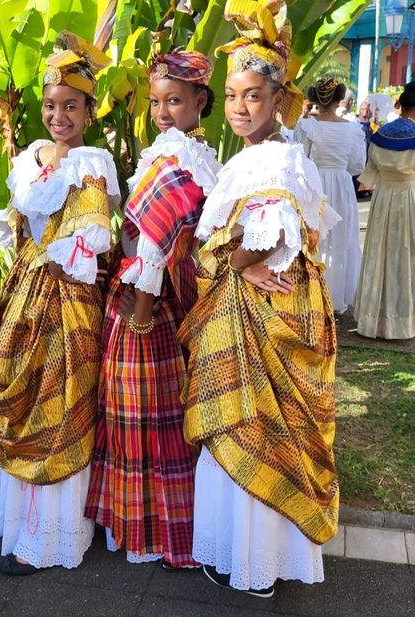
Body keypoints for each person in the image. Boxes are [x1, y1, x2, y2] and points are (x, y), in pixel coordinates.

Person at [178, 0, 340, 598]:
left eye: (253, 95)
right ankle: (252, 554)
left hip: (262, 315)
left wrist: (229, 265)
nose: (241, 107)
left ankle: (255, 560)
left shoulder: (275, 157)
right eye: (232, 96)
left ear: (279, 100)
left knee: (251, 424)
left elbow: (264, 236)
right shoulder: (259, 157)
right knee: (247, 426)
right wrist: (238, 262)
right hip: (257, 305)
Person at [0, 31, 120, 575]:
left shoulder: (91, 162)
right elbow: (24, 229)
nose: (58, 116)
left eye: (71, 106)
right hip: (25, 293)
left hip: (67, 302)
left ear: (89, 112)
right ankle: (17, 521)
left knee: (57, 405)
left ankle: (44, 540)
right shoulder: (30, 158)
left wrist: (56, 258)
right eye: (50, 105)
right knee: (12, 387)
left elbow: (88, 237)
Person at [84, 50, 222, 568]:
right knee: (148, 419)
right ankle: (153, 526)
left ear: (199, 101)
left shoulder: (177, 161)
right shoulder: (183, 156)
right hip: (160, 304)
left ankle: (157, 533)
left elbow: (154, 248)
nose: (164, 110)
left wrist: (139, 313)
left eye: (176, 100)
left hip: (147, 310)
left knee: (143, 418)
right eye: (158, 100)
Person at [294, 78, 366, 313]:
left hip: (314, 184)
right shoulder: (354, 128)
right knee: (340, 239)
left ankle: (311, 293)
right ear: (339, 99)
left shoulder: (307, 126)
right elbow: (357, 165)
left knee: (315, 239)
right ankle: (335, 295)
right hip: (342, 185)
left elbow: (300, 160)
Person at [355, 81, 415, 339]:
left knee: (380, 254)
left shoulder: (381, 135)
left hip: (383, 196)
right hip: (410, 195)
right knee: (406, 254)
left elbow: (370, 175)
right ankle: (402, 320)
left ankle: (375, 318)